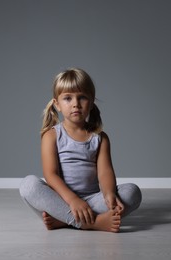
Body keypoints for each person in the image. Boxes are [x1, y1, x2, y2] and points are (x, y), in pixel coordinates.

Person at [20, 68, 141, 233]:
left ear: (91, 103)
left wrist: (109, 193)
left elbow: (105, 172)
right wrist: (73, 200)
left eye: (82, 97)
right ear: (57, 104)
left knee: (132, 192)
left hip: (92, 201)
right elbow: (51, 174)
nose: (75, 103)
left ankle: (63, 219)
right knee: (28, 185)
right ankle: (93, 222)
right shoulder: (52, 135)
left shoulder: (100, 137)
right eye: (68, 98)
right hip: (61, 200)